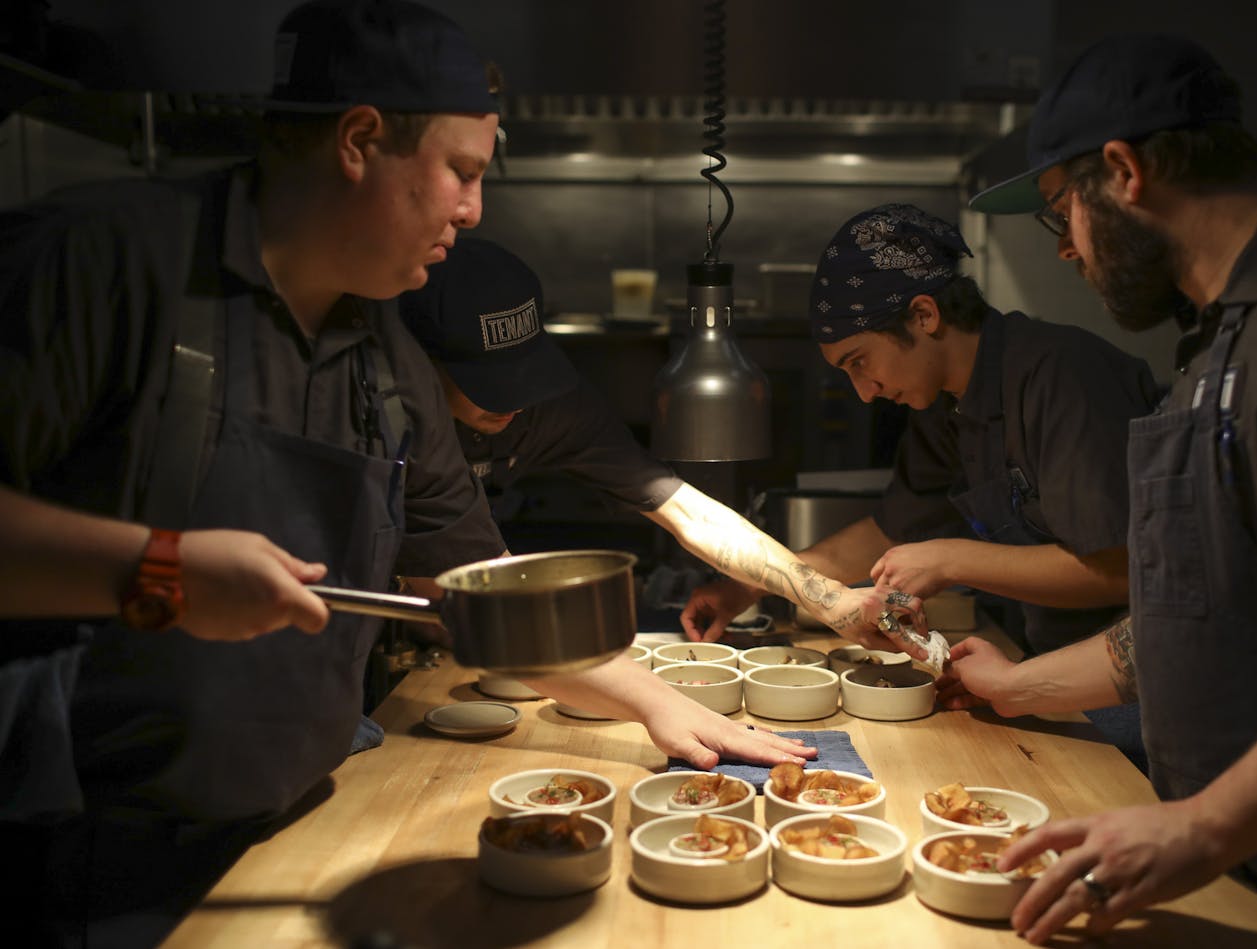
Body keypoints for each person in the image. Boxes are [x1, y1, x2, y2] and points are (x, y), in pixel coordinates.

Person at [0, 3, 808, 946]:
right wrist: (159, 568)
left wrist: (661, 702)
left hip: (291, 829)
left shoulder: (384, 346)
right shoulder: (102, 260)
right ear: (360, 140)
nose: (474, 210)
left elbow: (484, 597)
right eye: (462, 172)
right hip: (76, 856)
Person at [956, 33, 1257, 947]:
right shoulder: (1208, 350)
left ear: (1123, 172)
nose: (1065, 251)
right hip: (1245, 869)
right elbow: (1192, 619)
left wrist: (1204, 823)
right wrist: (1018, 686)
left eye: (1061, 213)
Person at [682, 203, 1160, 765]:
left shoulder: (1062, 377)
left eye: (860, 361)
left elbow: (1120, 572)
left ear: (925, 315)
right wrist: (755, 586)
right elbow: (885, 532)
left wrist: (953, 559)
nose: (863, 391)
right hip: (1039, 674)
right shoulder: (944, 409)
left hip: (1139, 688)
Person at [398, 236, 918, 656]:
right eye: (488, 382)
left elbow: (689, 512)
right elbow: (462, 598)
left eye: (524, 375)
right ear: (423, 364)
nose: (512, 401)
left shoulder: (552, 405)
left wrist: (832, 602)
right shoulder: (397, 413)